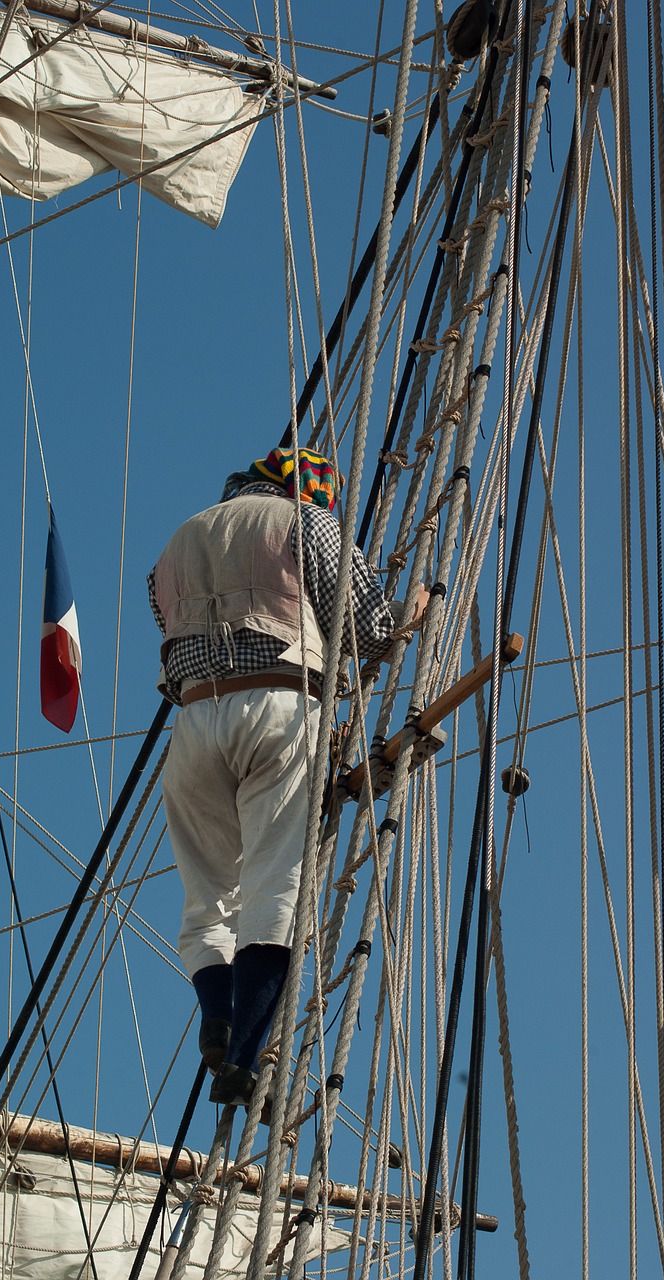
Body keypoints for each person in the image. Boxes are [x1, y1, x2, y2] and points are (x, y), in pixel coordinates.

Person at [147, 446, 396, 1110]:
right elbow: (370, 632)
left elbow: (166, 622)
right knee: (274, 891)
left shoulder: (177, 542)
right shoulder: (305, 522)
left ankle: (218, 1013)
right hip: (280, 706)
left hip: (195, 722)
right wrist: (415, 607)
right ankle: (244, 1056)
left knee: (208, 903)